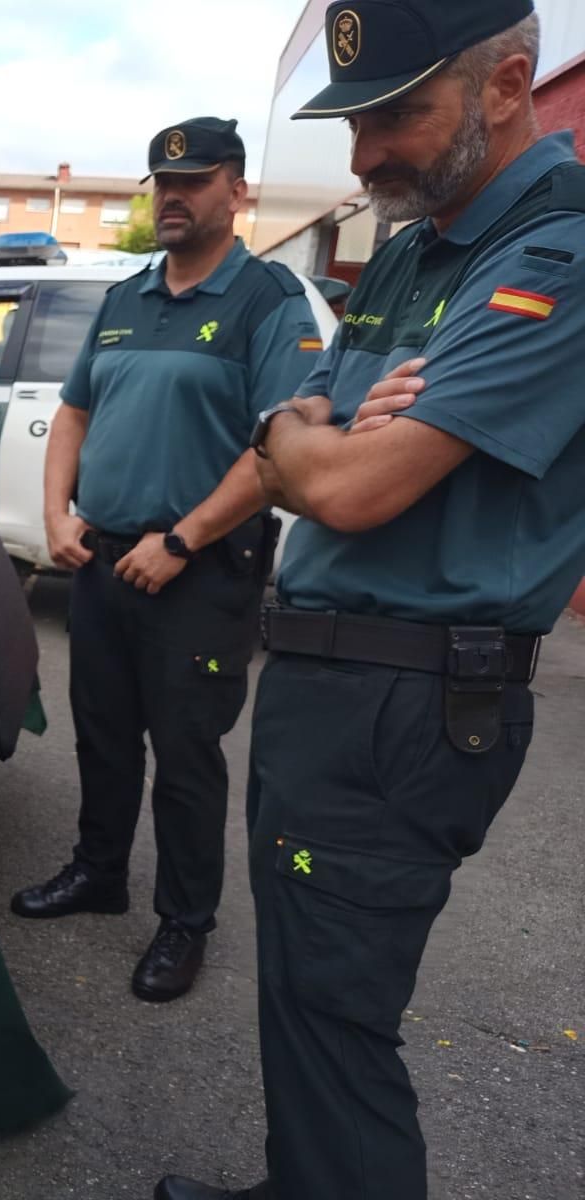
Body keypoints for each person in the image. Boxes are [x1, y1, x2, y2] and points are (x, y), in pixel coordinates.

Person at [158, 5, 585, 1200]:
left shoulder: (555, 250)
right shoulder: (411, 243)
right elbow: (292, 421)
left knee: (340, 1026)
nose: (361, 158)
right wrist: (304, 432)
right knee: (301, 992)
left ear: (508, 85)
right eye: (353, 118)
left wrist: (310, 444)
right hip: (331, 685)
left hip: (405, 697)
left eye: (397, 113)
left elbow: (344, 485)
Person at [11, 117, 322, 1006]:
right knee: (104, 736)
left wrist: (182, 539)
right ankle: (99, 874)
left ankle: (186, 921)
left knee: (186, 756)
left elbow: (280, 448)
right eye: (161, 181)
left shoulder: (266, 301)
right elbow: (73, 413)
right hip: (104, 560)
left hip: (201, 569)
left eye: (194, 179)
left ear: (237, 192)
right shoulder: (126, 297)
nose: (172, 195)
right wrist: (55, 514)